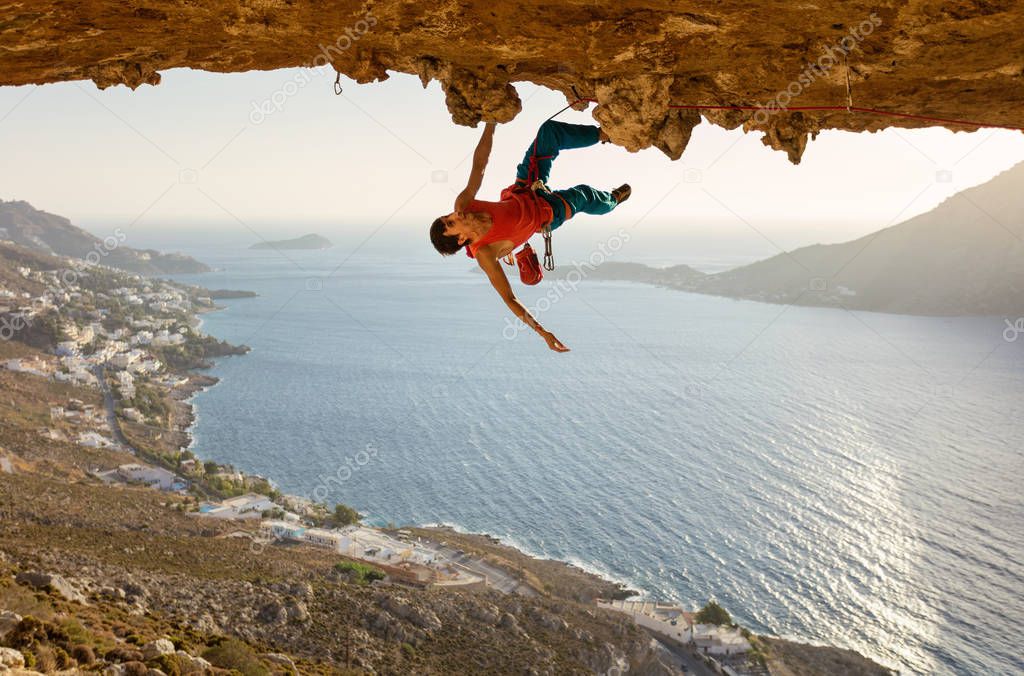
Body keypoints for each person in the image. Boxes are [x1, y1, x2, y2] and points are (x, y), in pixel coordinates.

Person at [429, 119, 630, 352]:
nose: (455, 214)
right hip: (547, 213)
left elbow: (479, 165)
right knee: (583, 194)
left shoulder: (464, 205)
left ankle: (606, 134)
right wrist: (543, 332)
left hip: (525, 188)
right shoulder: (484, 253)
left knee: (548, 133)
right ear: (461, 239)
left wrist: (491, 124)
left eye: (447, 216)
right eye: (451, 222)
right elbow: (510, 299)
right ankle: (612, 200)